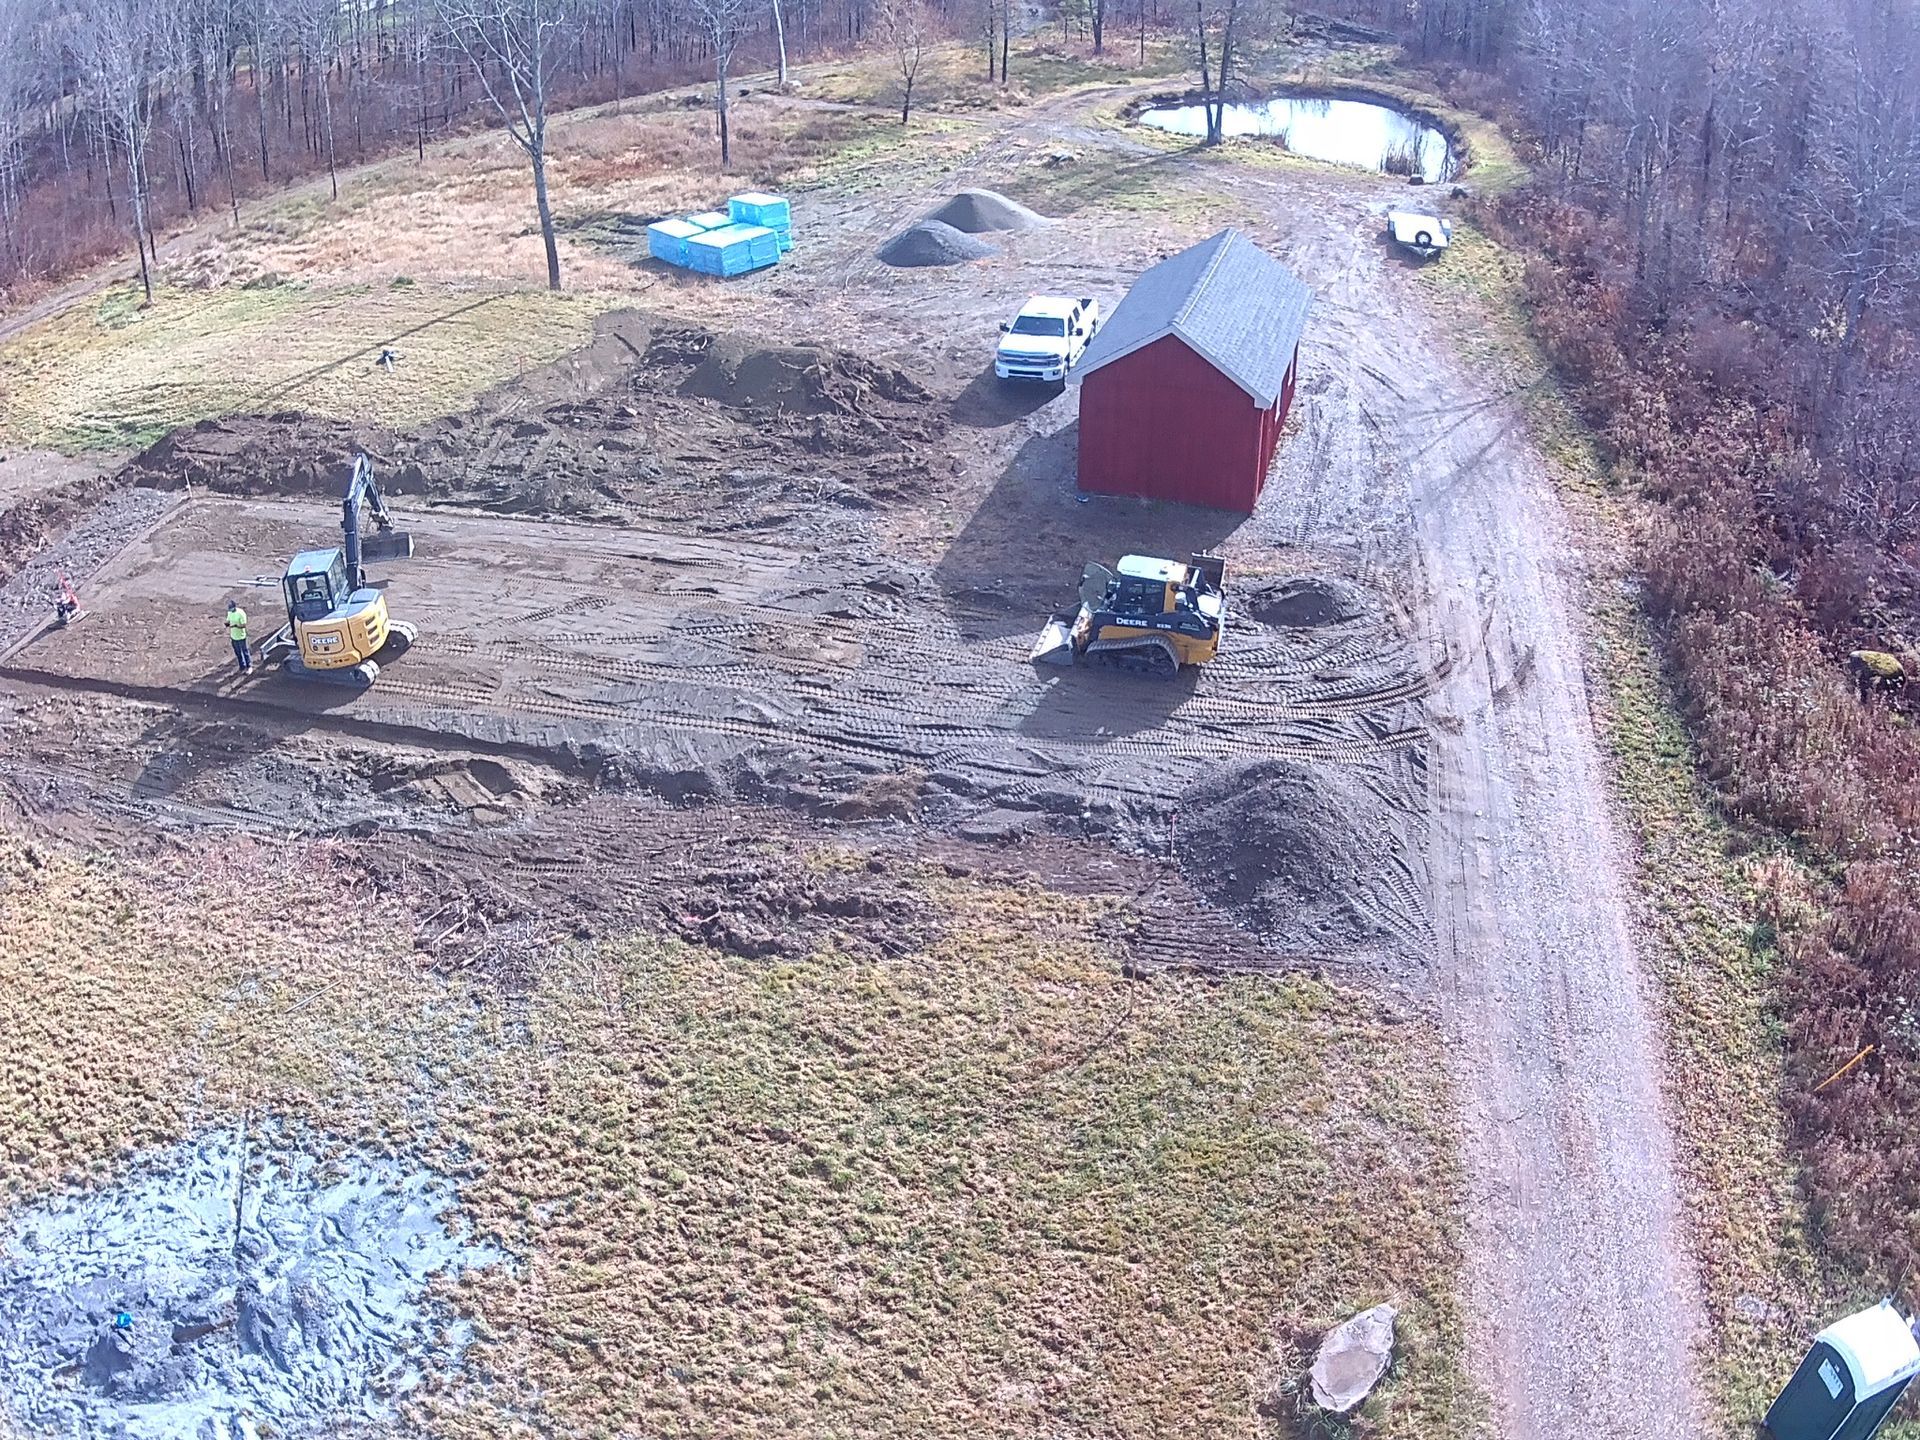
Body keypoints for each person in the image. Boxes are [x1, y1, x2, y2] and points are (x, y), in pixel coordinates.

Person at [225, 599, 251, 674]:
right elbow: (228, 621)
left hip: (241, 636)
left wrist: (236, 626)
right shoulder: (229, 613)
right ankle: (242, 666)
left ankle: (249, 666)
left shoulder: (241, 613)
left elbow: (243, 625)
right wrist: (227, 624)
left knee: (245, 652)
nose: (230, 610)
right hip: (233, 636)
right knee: (238, 653)